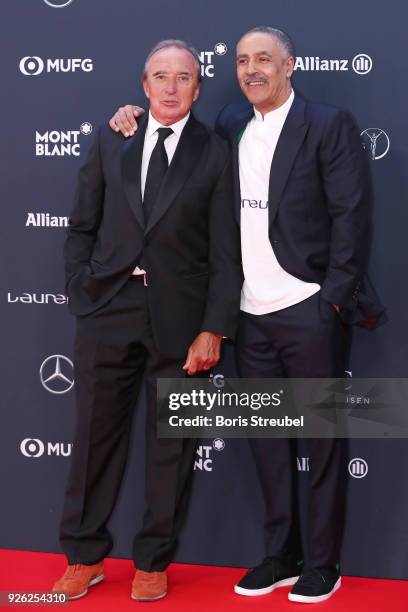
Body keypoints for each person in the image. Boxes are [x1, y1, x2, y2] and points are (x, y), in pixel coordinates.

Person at [109, 26, 384, 604]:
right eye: (241, 61)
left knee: (324, 442)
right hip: (248, 317)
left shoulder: (327, 124)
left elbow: (351, 218)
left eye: (264, 59)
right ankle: (281, 554)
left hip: (308, 308)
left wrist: (330, 300)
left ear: (289, 66)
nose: (252, 69)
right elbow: (172, 135)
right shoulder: (231, 124)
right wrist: (131, 116)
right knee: (267, 442)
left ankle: (325, 564)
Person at [52, 39, 242, 602]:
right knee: (93, 442)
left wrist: (213, 327)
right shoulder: (115, 136)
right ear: (143, 85)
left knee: (172, 448)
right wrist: (80, 288)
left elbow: (226, 251)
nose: (170, 86)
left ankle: (153, 561)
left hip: (182, 322)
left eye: (182, 76)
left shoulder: (215, 150)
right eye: (160, 76)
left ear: (198, 86)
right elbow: (81, 224)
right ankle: (83, 556)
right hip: (109, 309)